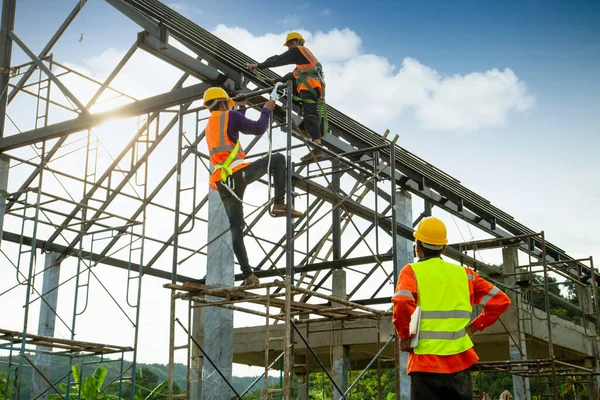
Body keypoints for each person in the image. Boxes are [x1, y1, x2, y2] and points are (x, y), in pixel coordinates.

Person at [392, 216, 511, 400]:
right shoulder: (466, 275)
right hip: (459, 363)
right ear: (444, 248)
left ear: (418, 246)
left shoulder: (411, 272)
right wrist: (473, 327)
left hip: (424, 362)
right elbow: (501, 301)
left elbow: (401, 301)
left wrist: (405, 336)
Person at [203, 87, 303, 286]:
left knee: (236, 229)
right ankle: (279, 203)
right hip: (239, 172)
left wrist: (241, 107)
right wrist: (267, 109)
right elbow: (258, 128)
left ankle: (248, 275)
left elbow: (231, 130)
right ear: (223, 102)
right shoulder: (229, 115)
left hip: (224, 181)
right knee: (278, 159)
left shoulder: (211, 123)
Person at [247, 31, 326, 163]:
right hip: (312, 87)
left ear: (299, 42)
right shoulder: (305, 62)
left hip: (309, 87)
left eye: (291, 43)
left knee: (310, 115)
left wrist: (258, 66)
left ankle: (318, 147)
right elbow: (292, 76)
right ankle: (316, 145)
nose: (290, 47)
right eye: (288, 45)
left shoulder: (300, 50)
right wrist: (275, 81)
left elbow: (279, 59)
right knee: (309, 117)